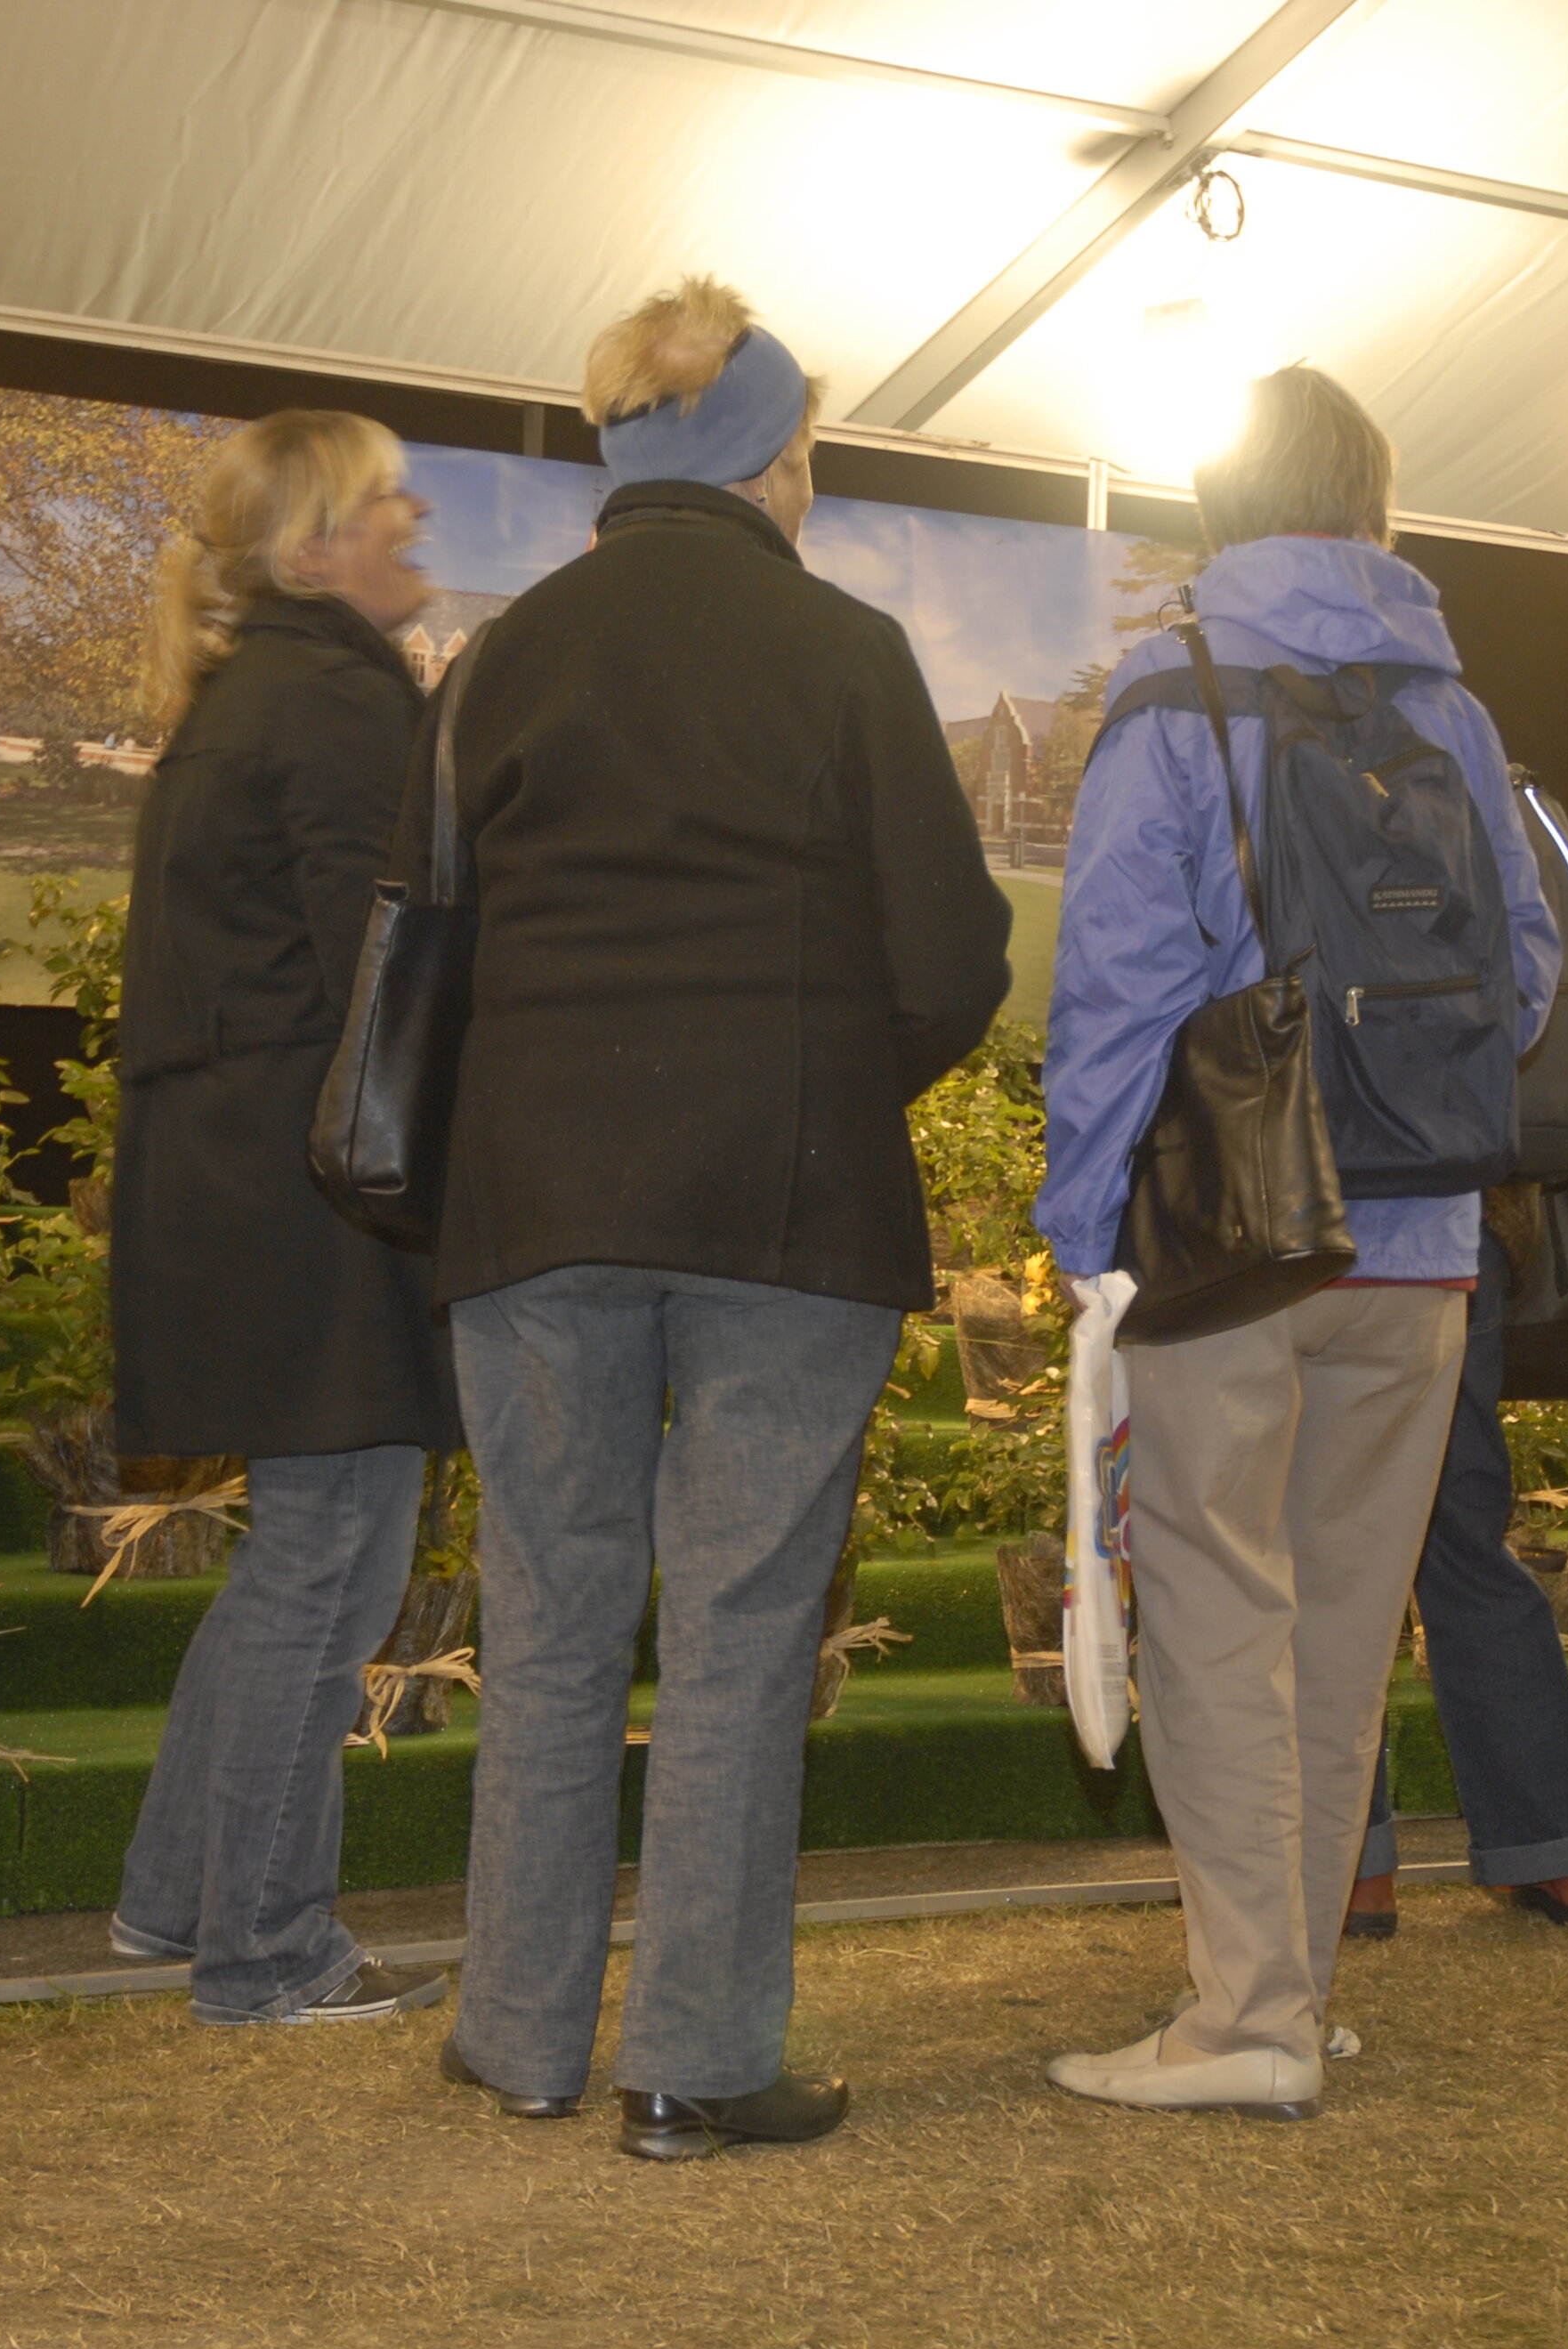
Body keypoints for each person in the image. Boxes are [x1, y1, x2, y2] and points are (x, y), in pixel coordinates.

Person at [431, 278, 1011, 2161]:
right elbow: (950, 960)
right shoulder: (844, 652)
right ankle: (692, 2060)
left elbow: (415, 953)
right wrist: (829, 1080)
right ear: (776, 454)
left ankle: (515, 2035)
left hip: (529, 1206)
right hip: (785, 1210)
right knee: (745, 1627)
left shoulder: (502, 658)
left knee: (547, 1615)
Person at [1037, 367, 1561, 2116]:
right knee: (1342, 1630)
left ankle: (1245, 2019)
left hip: (1222, 1234)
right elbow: (1535, 978)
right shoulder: (1454, 708)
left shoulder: (1172, 687)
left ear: (1221, 499)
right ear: (1375, 501)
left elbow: (1112, 984)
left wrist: (1077, 1228)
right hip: (1418, 1241)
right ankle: (1292, 1992)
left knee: (1210, 1609)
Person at [106, 410, 463, 2025]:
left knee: (298, 1564)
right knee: (331, 1561)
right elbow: (384, 980)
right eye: (384, 500)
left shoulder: (251, 695)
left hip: (240, 1185)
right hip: (314, 1201)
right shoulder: (330, 700)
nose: (413, 516)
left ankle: (177, 1902)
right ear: (311, 548)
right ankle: (262, 1945)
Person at [1341, 1179, 1568, 1940]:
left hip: (1314, 1219)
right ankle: (1563, 1853)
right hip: (1462, 1220)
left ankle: (1348, 1869)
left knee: (1327, 1555)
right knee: (1462, 1542)